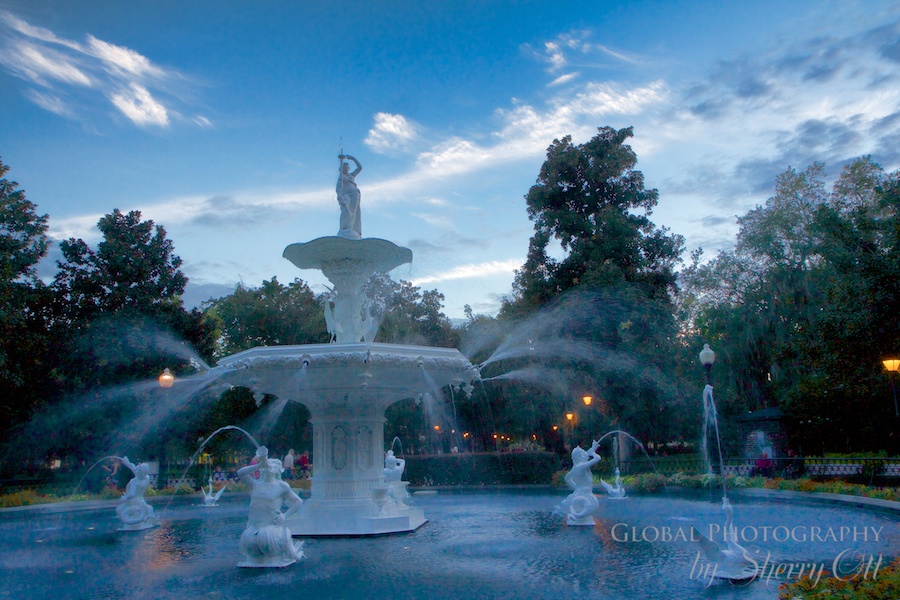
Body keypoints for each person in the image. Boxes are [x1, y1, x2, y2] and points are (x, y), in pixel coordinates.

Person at [237, 446, 305, 567]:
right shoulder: (255, 484)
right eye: (268, 464)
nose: (269, 466)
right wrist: (258, 465)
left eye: (273, 465)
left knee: (271, 554)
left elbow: (298, 502)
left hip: (270, 531)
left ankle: (286, 554)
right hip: (252, 528)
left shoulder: (281, 486)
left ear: (278, 470)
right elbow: (240, 473)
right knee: (252, 557)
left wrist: (285, 516)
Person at [556, 440, 602, 526]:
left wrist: (576, 487)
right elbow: (598, 458)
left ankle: (575, 517)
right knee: (590, 507)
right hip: (586, 495)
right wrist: (593, 452)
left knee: (582, 510)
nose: (585, 453)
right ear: (581, 455)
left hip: (578, 493)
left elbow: (567, 478)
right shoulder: (582, 466)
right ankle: (578, 517)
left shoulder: (576, 467)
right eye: (583, 452)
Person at [116, 456, 158, 530]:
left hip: (133, 501)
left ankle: (131, 526)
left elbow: (131, 494)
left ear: (141, 472)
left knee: (119, 510)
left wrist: (124, 498)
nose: (136, 469)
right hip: (141, 500)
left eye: (139, 469)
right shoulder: (146, 477)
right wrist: (127, 463)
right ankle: (144, 522)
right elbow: (134, 468)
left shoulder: (134, 481)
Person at [336, 154, 362, 239]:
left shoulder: (351, 176)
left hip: (355, 194)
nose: (346, 169)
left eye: (348, 167)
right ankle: (345, 227)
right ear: (342, 169)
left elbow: (360, 168)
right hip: (346, 195)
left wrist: (353, 158)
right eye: (345, 167)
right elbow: (339, 186)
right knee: (346, 210)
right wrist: (341, 161)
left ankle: (352, 228)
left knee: (354, 212)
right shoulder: (341, 176)